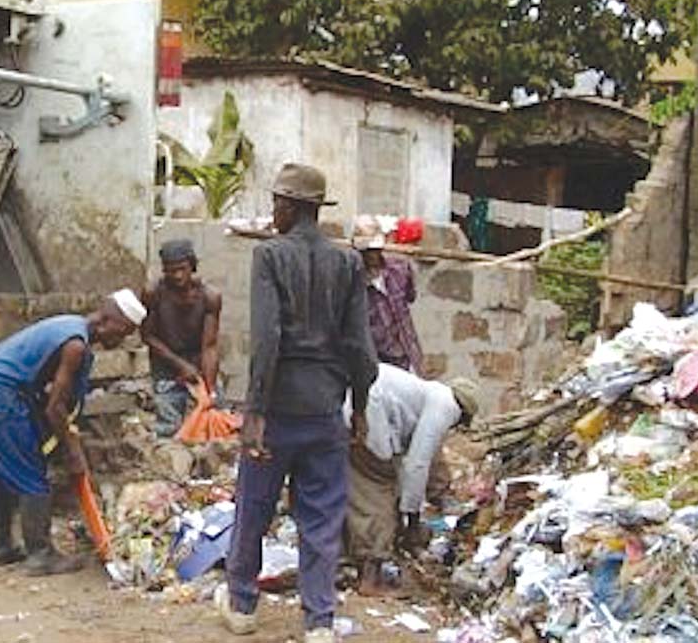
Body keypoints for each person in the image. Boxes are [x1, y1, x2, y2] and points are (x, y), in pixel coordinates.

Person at [216, 164, 378, 643]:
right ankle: (319, 621)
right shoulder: (347, 263)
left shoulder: (269, 255)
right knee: (322, 519)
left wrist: (255, 414)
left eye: (276, 203)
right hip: (326, 410)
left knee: (254, 508)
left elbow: (267, 341)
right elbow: (360, 349)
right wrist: (361, 409)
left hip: (279, 411)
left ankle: (243, 605)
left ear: (289, 206)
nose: (273, 212)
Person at [0, 290, 145, 577]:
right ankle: (41, 555)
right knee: (31, 474)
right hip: (2, 395)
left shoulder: (69, 325)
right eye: (124, 331)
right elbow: (55, 408)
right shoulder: (76, 346)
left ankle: (0, 548)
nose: (122, 340)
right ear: (110, 321)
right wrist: (73, 450)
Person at [344, 364, 479, 597]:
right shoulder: (446, 407)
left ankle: (343, 562)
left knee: (356, 489)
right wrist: (413, 520)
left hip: (348, 407)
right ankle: (370, 577)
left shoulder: (427, 392)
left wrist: (406, 508)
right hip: (366, 413)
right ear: (463, 414)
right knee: (378, 486)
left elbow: (404, 460)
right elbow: (417, 464)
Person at [141, 239, 223, 437]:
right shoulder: (153, 293)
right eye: (170, 270)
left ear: (192, 266)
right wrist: (180, 365)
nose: (177, 276)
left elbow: (209, 346)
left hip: (198, 360)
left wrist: (209, 389)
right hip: (166, 361)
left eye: (181, 269)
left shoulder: (210, 296)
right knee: (169, 425)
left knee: (214, 414)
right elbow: (148, 336)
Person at [353, 215, 422, 373]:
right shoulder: (353, 282)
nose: (371, 255)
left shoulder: (400, 270)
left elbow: (411, 296)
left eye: (374, 250)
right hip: (376, 362)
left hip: (406, 354)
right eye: (366, 251)